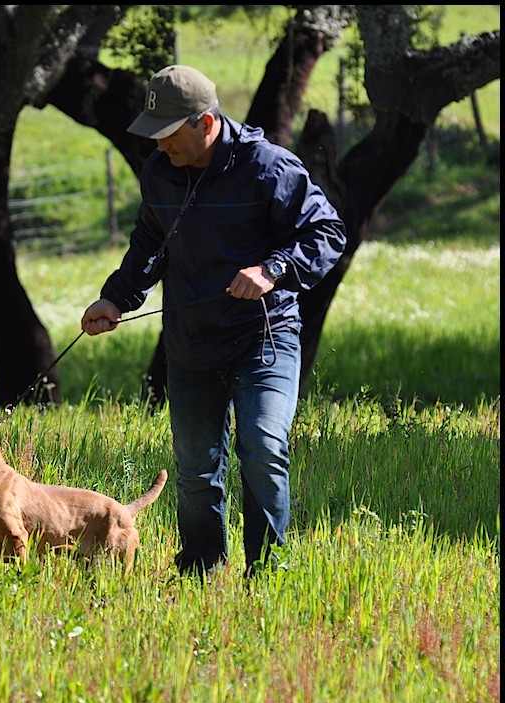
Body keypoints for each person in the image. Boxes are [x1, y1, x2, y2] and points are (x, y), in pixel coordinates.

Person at [80, 65, 347, 581]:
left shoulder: (268, 168)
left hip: (263, 338)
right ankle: (201, 570)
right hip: (191, 345)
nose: (159, 146)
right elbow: (149, 243)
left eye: (167, 133)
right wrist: (115, 298)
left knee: (263, 449)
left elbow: (327, 232)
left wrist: (273, 270)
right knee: (197, 470)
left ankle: (267, 574)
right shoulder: (159, 171)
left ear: (204, 123)